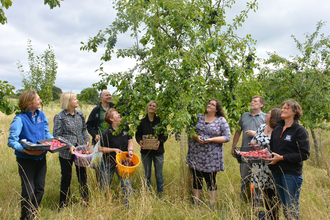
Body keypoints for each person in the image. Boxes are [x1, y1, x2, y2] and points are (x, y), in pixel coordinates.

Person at [8, 90, 54, 220]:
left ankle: (32, 215)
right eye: (37, 99)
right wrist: (25, 150)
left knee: (39, 189)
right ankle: (25, 217)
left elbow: (46, 134)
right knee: (28, 191)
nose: (40, 101)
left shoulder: (42, 115)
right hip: (26, 159)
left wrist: (54, 141)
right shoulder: (19, 119)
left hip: (41, 158)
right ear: (29, 102)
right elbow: (12, 141)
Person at [268, 100, 310, 219]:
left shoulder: (300, 131)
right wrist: (263, 155)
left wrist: (282, 158)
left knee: (291, 207)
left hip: (291, 174)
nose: (283, 110)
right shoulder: (276, 129)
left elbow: (304, 154)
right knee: (284, 207)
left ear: (295, 112)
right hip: (276, 172)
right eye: (282, 107)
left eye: (287, 108)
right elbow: (272, 149)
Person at [186, 99, 231, 208]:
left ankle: (212, 203)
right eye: (209, 103)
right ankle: (196, 201)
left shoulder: (221, 120)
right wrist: (196, 137)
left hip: (212, 156)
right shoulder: (198, 117)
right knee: (197, 178)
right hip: (196, 154)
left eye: (212, 104)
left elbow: (227, 137)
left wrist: (211, 140)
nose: (209, 105)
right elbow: (189, 130)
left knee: (210, 179)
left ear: (217, 109)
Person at [53, 92, 90, 210]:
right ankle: (63, 205)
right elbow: (57, 136)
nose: (77, 101)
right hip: (66, 153)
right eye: (75, 99)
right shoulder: (60, 117)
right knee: (66, 177)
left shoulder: (80, 114)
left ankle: (85, 202)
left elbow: (84, 129)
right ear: (68, 102)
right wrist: (69, 145)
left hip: (80, 152)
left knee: (83, 177)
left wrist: (87, 139)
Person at [231, 95, 266, 199]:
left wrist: (256, 133)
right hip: (245, 152)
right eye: (252, 100)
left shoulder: (266, 117)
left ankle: (257, 201)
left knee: (258, 178)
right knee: (244, 176)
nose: (252, 102)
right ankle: (244, 199)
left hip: (260, 153)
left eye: (255, 101)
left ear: (261, 105)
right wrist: (234, 146)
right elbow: (238, 131)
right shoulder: (244, 116)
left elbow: (269, 133)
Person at [249, 108, 281, 220]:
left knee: (273, 193)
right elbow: (254, 141)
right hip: (258, 166)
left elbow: (277, 148)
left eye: (268, 114)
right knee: (264, 191)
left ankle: (274, 215)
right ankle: (269, 214)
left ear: (273, 117)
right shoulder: (262, 127)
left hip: (271, 166)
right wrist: (254, 146)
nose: (266, 115)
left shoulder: (279, 130)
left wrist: (263, 149)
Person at [99, 108, 134, 208]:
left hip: (122, 163)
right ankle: (103, 206)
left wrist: (130, 151)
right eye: (116, 114)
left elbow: (130, 140)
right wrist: (113, 150)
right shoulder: (106, 133)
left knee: (126, 185)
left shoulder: (125, 127)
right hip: (108, 163)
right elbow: (100, 148)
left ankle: (129, 207)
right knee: (105, 186)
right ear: (111, 119)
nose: (119, 114)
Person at [135, 101, 168, 196]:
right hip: (146, 153)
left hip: (158, 152)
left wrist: (159, 142)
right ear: (147, 107)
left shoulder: (160, 122)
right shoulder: (141, 122)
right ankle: (147, 195)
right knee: (147, 175)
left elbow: (165, 136)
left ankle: (160, 195)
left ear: (156, 109)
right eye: (150, 105)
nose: (152, 107)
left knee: (158, 175)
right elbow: (137, 135)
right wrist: (140, 141)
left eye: (154, 106)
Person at [86, 90, 115, 182]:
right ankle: (100, 185)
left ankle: (109, 182)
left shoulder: (115, 108)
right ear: (101, 98)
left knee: (112, 162)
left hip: (113, 140)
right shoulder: (96, 110)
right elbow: (89, 125)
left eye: (110, 95)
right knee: (98, 164)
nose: (109, 96)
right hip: (100, 142)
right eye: (107, 95)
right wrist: (95, 134)